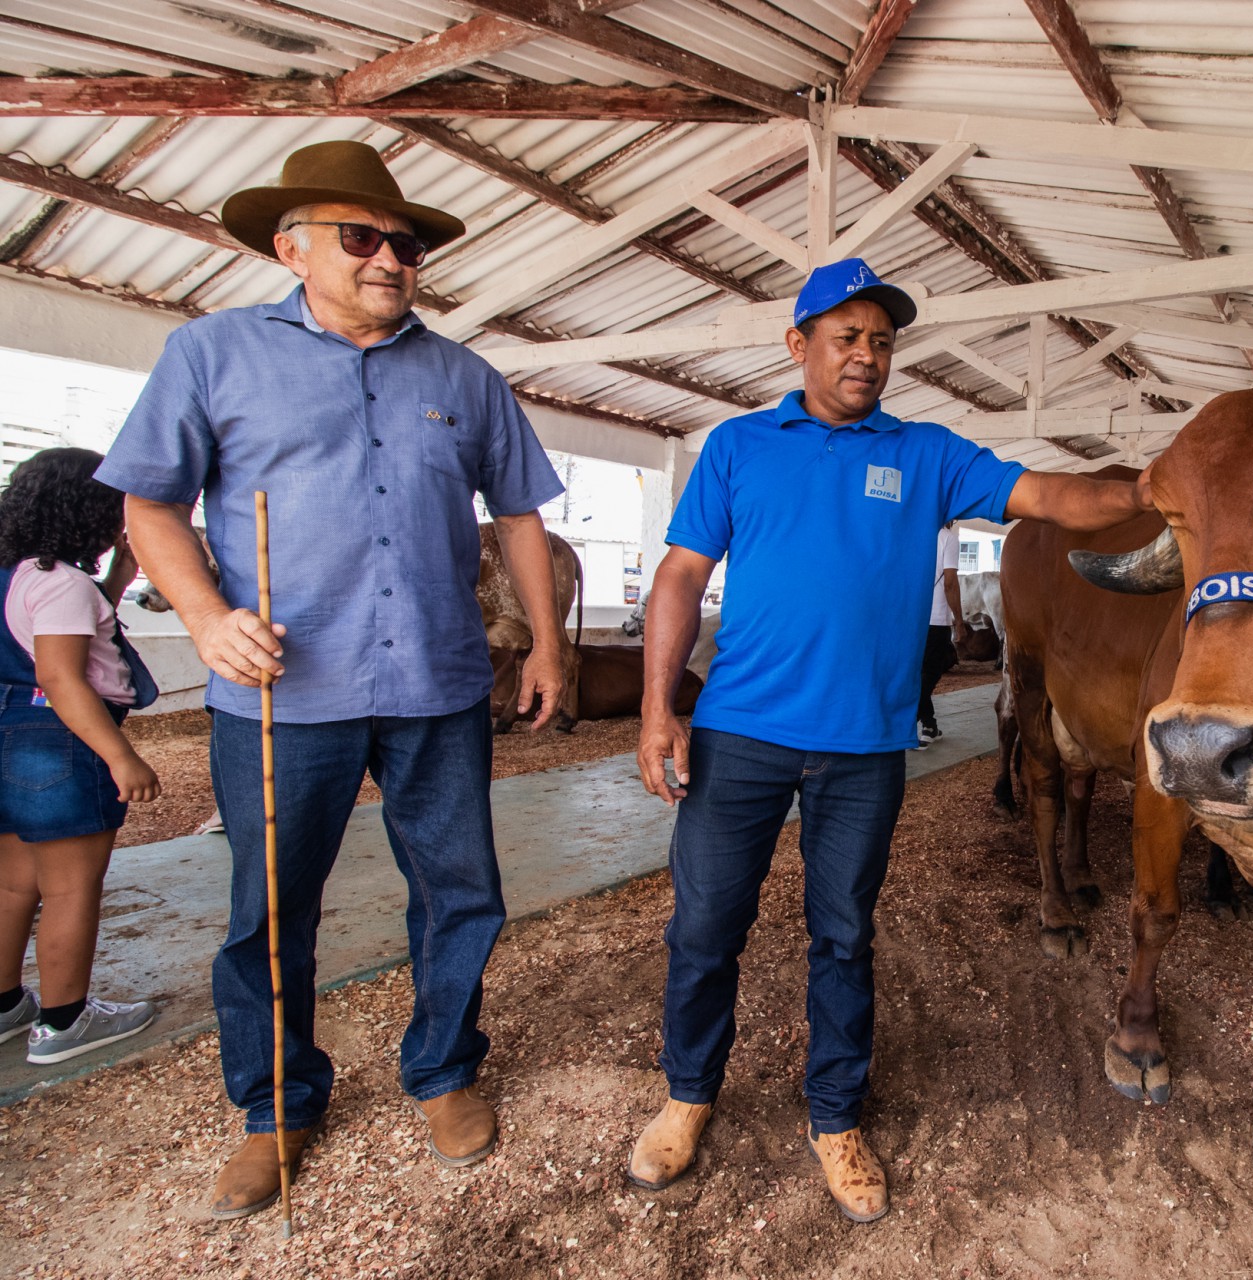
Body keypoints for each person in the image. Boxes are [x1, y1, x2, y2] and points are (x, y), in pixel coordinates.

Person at [97, 140, 570, 1221]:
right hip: (281, 692)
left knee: (461, 891)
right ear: (292, 245)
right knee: (269, 907)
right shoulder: (211, 354)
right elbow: (149, 503)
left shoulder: (466, 377)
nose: (389, 257)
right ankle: (274, 1105)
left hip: (439, 685)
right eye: (361, 237)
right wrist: (208, 618)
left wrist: (547, 642)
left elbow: (520, 517)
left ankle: (444, 1069)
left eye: (403, 242)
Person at [628, 257, 1152, 1222]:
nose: (866, 355)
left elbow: (1056, 499)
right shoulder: (739, 445)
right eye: (846, 337)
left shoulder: (927, 453)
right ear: (798, 346)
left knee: (844, 935)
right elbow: (678, 578)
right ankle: (687, 1096)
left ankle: (836, 1116)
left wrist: (1159, 484)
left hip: (863, 749)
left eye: (880, 340)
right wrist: (661, 709)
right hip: (739, 733)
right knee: (705, 928)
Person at [0, 448, 161, 1065]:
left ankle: (7, 1004)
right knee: (70, 888)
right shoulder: (62, 583)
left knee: (14, 885)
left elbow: (61, 628)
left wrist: (120, 575)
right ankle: (65, 1021)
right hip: (57, 740)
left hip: (9, 733)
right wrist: (119, 757)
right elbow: (63, 679)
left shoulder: (24, 575)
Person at [913, 522, 967, 747]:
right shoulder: (947, 538)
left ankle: (929, 724)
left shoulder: (912, 531)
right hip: (935, 617)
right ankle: (904, 724)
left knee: (917, 674)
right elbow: (950, 583)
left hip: (910, 617)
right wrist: (960, 621)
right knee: (931, 673)